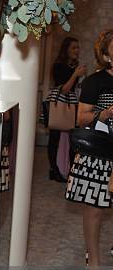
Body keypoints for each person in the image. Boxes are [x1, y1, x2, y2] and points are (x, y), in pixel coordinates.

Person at [66, 29, 113, 270]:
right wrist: (105, 113)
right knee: (95, 208)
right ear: (107, 55)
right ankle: (93, 259)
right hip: (99, 153)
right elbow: (81, 117)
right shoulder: (95, 82)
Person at [48, 37, 87, 182]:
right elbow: (64, 89)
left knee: (73, 138)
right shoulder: (58, 66)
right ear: (66, 50)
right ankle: (54, 170)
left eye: (78, 48)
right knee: (54, 138)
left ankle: (71, 170)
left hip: (71, 104)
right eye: (73, 48)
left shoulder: (74, 66)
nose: (77, 51)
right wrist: (75, 74)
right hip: (59, 103)